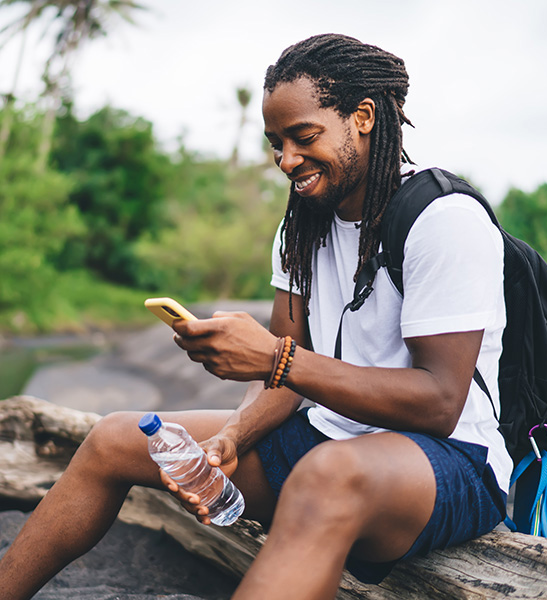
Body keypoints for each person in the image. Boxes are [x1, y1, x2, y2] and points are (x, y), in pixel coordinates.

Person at [0, 33, 512, 600]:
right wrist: (232, 436)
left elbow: (438, 402)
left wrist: (277, 357)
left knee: (325, 477)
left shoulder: (444, 220)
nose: (286, 159)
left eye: (303, 136)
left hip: (450, 463)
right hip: (331, 434)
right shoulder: (303, 225)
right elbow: (284, 383)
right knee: (114, 438)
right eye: (276, 142)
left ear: (362, 117)